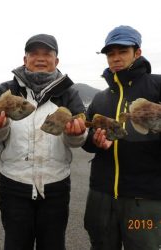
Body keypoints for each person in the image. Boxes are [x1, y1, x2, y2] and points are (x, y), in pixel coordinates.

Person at [0, 34, 87, 250]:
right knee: (16, 244)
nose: (40, 58)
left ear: (56, 61)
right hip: (14, 185)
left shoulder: (69, 93)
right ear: (24, 59)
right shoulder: (6, 90)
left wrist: (76, 134)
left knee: (53, 244)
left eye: (47, 53)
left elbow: (78, 140)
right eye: (33, 53)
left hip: (55, 186)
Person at [82, 25, 161, 250]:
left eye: (122, 51)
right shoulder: (100, 98)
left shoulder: (157, 85)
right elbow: (88, 143)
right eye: (111, 54)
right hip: (101, 195)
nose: (115, 58)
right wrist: (94, 142)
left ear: (137, 53)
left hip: (145, 198)